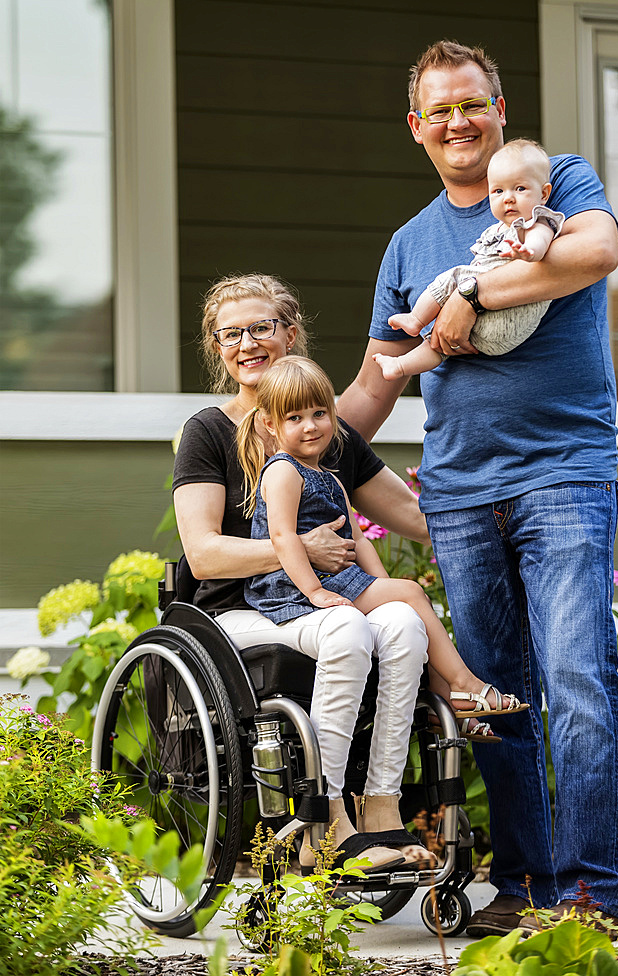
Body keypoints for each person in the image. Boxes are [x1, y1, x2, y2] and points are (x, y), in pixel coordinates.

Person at [338, 40, 618, 934]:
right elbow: (377, 382)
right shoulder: (408, 241)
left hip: (562, 474)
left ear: (499, 108)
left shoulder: (555, 178)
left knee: (579, 679)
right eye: (440, 111)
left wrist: (471, 289)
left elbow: (595, 252)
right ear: (417, 129)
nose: (460, 123)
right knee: (491, 694)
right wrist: (283, 444)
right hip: (461, 494)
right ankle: (525, 884)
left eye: (473, 104)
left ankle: (593, 895)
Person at [173, 272, 434, 873]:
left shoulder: (324, 430)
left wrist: (499, 518)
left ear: (291, 334)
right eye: (229, 334)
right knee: (351, 630)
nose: (246, 344)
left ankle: (383, 808)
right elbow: (205, 554)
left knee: (400, 620)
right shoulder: (208, 432)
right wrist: (300, 550)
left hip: (317, 605)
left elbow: (414, 518)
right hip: (237, 614)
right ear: (218, 348)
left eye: (259, 328)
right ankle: (327, 820)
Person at [236, 355, 527, 753]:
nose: (310, 426)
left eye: (320, 413)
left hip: (331, 578)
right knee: (411, 593)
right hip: (292, 586)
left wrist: (380, 585)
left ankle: (445, 702)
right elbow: (284, 538)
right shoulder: (283, 471)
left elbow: (360, 539)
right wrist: (314, 593)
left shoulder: (329, 476)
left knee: (406, 600)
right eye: (294, 418)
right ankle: (465, 684)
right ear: (270, 424)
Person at [373, 138, 565, 380]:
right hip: (481, 328)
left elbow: (540, 243)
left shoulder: (536, 221)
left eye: (520, 189)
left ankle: (416, 318)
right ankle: (400, 366)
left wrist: (527, 252)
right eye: (498, 191)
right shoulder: (495, 231)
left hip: (509, 319)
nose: (508, 198)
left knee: (454, 276)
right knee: (439, 341)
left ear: (544, 193)